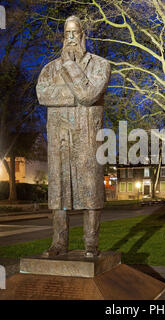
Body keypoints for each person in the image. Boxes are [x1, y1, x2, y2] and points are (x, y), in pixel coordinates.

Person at [36, 16, 111, 258]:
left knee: (90, 190)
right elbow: (42, 94)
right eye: (66, 33)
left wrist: (69, 68)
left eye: (74, 33)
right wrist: (74, 95)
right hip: (59, 138)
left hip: (88, 137)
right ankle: (59, 243)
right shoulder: (49, 68)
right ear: (62, 37)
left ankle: (91, 244)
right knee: (58, 191)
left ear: (82, 36)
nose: (70, 38)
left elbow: (89, 95)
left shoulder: (101, 65)